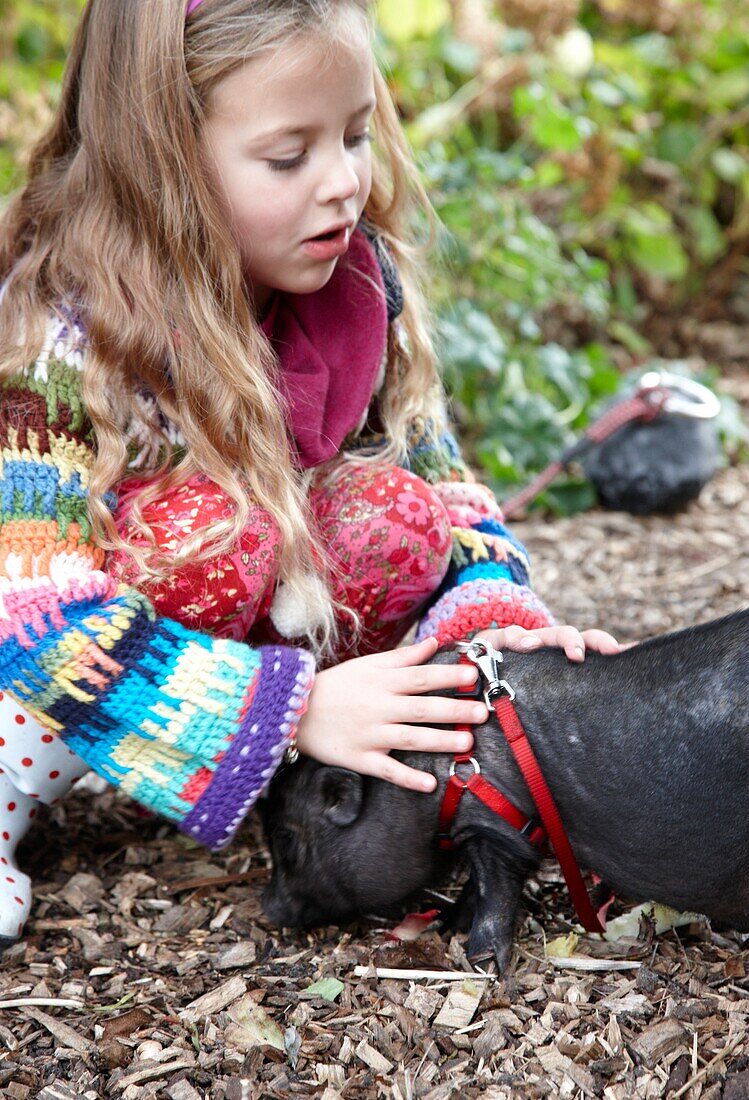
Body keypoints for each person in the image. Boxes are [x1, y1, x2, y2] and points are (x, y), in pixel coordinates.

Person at [0, 0, 619, 945]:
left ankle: (307, 773)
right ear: (160, 159)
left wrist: (499, 645)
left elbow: (446, 495)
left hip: (234, 664)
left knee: (390, 514)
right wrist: (291, 710)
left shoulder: (356, 290)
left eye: (358, 134)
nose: (343, 183)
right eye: (289, 156)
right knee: (213, 532)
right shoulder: (60, 332)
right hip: (52, 676)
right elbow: (32, 617)